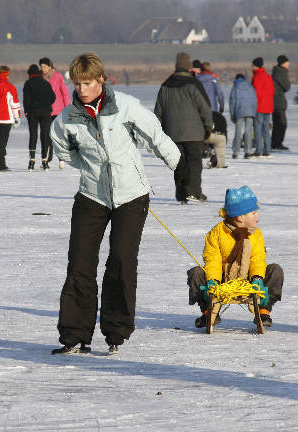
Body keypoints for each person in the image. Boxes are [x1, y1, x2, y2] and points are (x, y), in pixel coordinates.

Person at [50, 52, 181, 354]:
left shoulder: (123, 105)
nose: (81, 89)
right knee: (80, 265)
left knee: (121, 261)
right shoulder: (66, 118)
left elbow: (153, 131)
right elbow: (63, 149)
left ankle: (116, 332)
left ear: (100, 81)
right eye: (77, 83)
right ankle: (74, 336)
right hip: (91, 195)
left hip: (131, 195)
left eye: (87, 83)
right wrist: (86, 167)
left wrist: (176, 161)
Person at [187, 186, 284, 328]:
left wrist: (257, 278)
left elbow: (257, 258)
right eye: (254, 213)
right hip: (221, 280)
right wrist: (213, 281)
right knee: (196, 273)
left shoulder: (256, 234)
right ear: (240, 216)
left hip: (248, 280)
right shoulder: (217, 233)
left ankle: (264, 311)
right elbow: (212, 259)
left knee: (275, 270)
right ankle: (208, 311)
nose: (258, 216)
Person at [155, 52, 213, 204]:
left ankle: (182, 195)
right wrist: (208, 127)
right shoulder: (194, 84)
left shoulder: (165, 85)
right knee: (194, 162)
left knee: (179, 163)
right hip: (194, 132)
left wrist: (160, 132)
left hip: (173, 133)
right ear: (189, 66)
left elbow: (158, 112)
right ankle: (194, 192)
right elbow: (205, 108)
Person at [39, 57, 70, 169]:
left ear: (50, 67)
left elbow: (65, 93)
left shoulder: (58, 77)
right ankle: (47, 159)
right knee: (46, 136)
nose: (43, 69)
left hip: (58, 110)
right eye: (41, 67)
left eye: (45, 67)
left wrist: (67, 109)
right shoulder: (40, 78)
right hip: (45, 111)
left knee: (57, 136)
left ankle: (61, 158)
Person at [23, 64, 55, 170]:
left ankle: (31, 161)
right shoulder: (46, 83)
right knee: (44, 135)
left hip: (33, 112)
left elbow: (26, 99)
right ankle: (44, 161)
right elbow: (53, 97)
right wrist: (46, 105)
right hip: (46, 112)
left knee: (33, 135)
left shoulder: (28, 84)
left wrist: (27, 111)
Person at [229, 73, 257, 159]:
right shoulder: (250, 87)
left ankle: (236, 152)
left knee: (238, 132)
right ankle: (248, 151)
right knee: (248, 131)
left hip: (239, 111)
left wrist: (232, 114)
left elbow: (232, 102)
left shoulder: (235, 87)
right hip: (250, 112)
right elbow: (254, 100)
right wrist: (254, 112)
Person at [251, 57, 275, 158]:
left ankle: (258, 150)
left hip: (259, 106)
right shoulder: (268, 76)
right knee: (266, 129)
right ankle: (267, 150)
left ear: (256, 66)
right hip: (268, 106)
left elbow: (254, 93)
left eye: (252, 65)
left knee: (257, 128)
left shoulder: (256, 77)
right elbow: (272, 91)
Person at [271, 55, 291, 151]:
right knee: (282, 123)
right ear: (283, 63)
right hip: (278, 102)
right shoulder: (281, 72)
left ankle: (275, 142)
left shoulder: (276, 71)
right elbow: (286, 86)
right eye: (287, 62)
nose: (289, 64)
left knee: (277, 123)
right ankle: (277, 143)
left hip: (275, 101)